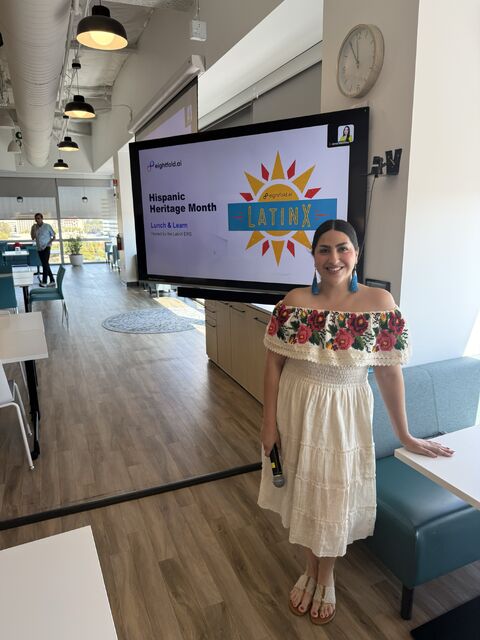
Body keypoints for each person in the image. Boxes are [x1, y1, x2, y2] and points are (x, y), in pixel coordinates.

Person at [257, 219, 454, 625]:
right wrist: (268, 423)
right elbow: (274, 365)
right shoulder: (294, 302)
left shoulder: (379, 303)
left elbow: (389, 372)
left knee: (332, 495)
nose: (334, 258)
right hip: (297, 405)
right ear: (313, 256)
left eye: (342, 248)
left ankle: (325, 576)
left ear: (357, 254)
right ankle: (308, 568)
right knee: (302, 489)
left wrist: (405, 434)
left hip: (345, 410)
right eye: (324, 249)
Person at [30, 212, 55, 287]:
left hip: (47, 247)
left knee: (45, 264)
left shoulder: (47, 226)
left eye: (38, 218)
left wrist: (48, 243)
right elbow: (33, 237)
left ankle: (44, 282)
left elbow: (53, 237)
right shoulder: (34, 227)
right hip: (39, 248)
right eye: (36, 219)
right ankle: (52, 280)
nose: (37, 220)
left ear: (42, 218)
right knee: (45, 263)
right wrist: (34, 230)